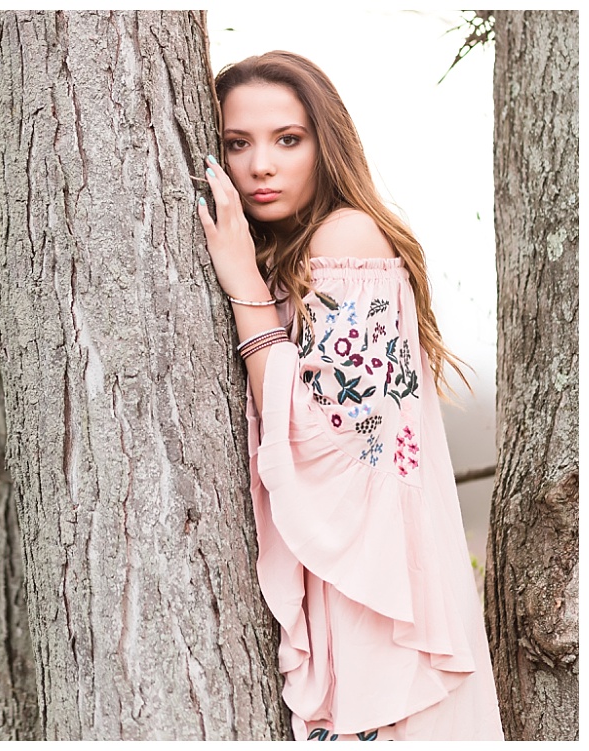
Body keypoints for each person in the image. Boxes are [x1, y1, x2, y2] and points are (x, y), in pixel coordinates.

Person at [196, 50, 503, 741]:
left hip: (376, 598)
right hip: (339, 582)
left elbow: (326, 433)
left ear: (324, 144)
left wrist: (242, 280)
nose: (260, 166)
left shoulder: (348, 237)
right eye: (236, 144)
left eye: (287, 139)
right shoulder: (290, 252)